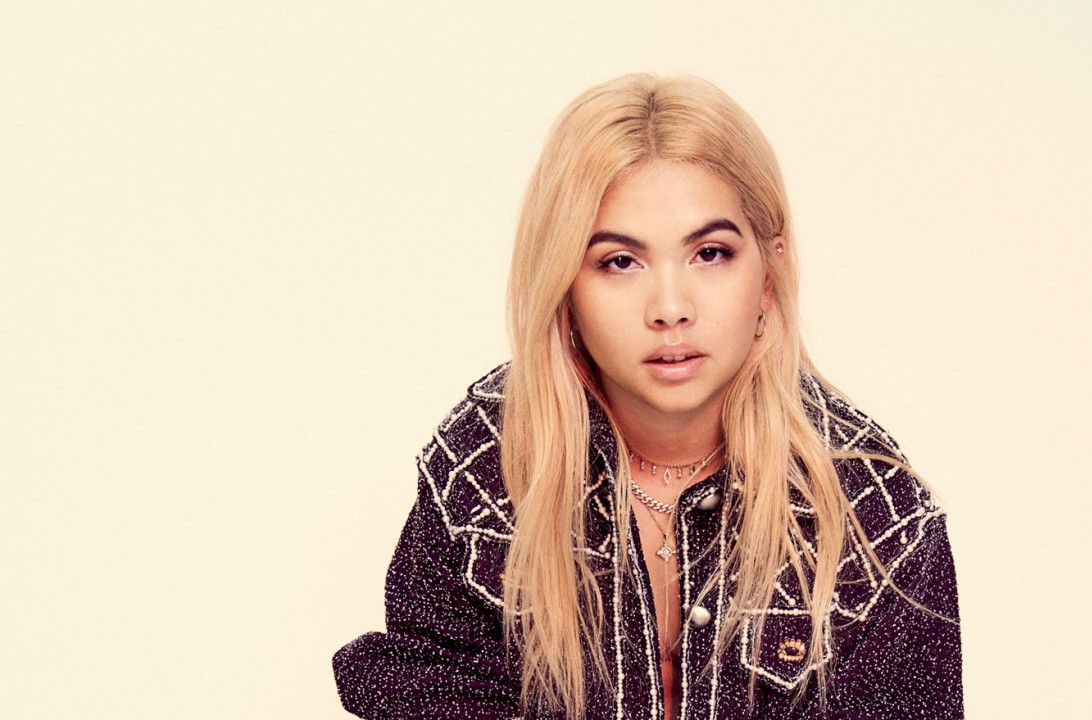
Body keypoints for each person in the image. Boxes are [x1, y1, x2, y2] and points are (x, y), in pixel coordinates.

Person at [332, 72, 963, 720]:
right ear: (564, 285)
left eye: (710, 253)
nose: (669, 308)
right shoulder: (487, 467)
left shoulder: (874, 514)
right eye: (620, 262)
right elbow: (426, 690)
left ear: (770, 272)